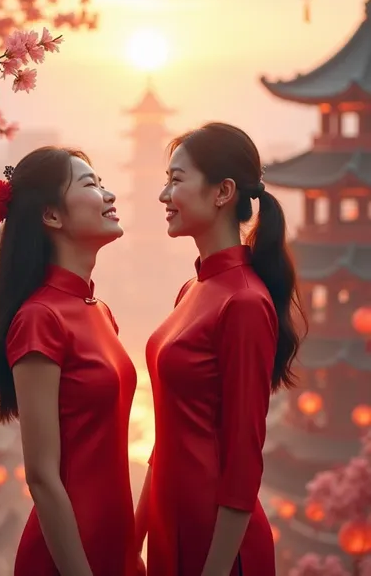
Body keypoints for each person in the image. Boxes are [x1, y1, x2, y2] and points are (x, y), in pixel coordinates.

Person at [135, 123, 307, 576]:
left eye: (176, 179)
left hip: (220, 546)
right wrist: (133, 539)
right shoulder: (193, 288)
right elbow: (166, 437)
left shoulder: (245, 302)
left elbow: (244, 460)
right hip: (172, 526)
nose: (162, 194)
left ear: (222, 192)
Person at [0, 147, 138, 576]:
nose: (108, 195)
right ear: (52, 216)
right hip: (67, 556)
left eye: (103, 183)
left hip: (117, 542)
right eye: (91, 185)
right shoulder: (39, 319)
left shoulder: (99, 311)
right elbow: (42, 477)